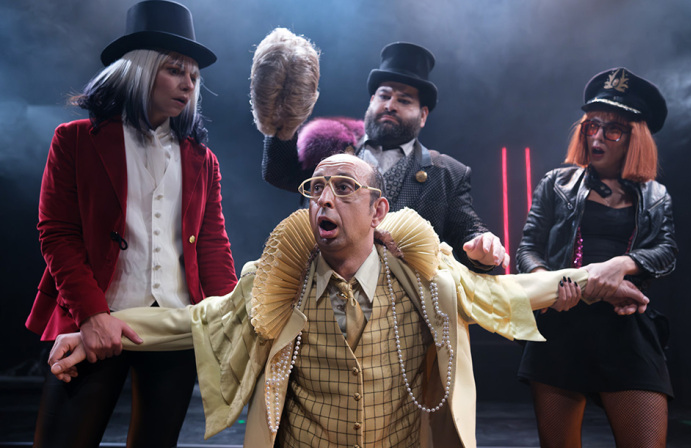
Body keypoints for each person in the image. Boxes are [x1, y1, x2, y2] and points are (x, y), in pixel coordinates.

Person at [48, 154, 648, 448]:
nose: (324, 200)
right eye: (317, 189)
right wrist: (100, 327)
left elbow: (504, 291)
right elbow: (197, 318)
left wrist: (593, 278)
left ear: (378, 209)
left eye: (343, 188)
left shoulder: (425, 276)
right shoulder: (277, 281)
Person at [25, 1, 239, 447]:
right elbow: (58, 235)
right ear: (139, 70)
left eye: (194, 76)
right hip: (93, 320)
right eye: (175, 70)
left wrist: (229, 318)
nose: (188, 83)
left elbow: (212, 245)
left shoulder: (202, 160)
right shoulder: (74, 141)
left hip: (176, 324)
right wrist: (93, 315)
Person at [515, 68, 678, 448]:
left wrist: (620, 264)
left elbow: (667, 251)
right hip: (561, 325)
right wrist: (551, 285)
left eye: (613, 130)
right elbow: (527, 248)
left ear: (635, 138)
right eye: (592, 126)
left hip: (626, 330)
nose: (598, 137)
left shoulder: (656, 195)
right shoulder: (556, 183)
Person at [254, 31, 508, 271]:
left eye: (404, 100)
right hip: (324, 290)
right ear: (371, 101)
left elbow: (469, 230)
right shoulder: (328, 148)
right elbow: (278, 173)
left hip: (406, 299)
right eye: (384, 96)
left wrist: (483, 244)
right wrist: (281, 118)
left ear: (423, 115)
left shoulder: (447, 173)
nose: (390, 105)